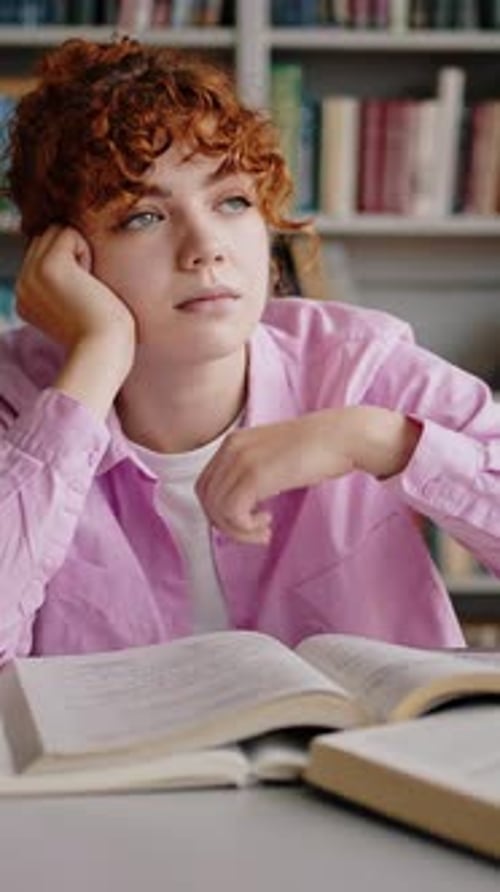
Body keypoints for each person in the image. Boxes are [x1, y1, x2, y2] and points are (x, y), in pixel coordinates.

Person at [0, 37, 498, 662]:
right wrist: (98, 353)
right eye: (143, 217)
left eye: (232, 202)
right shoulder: (16, 397)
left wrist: (377, 440)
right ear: (65, 258)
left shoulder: (359, 365)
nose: (206, 247)